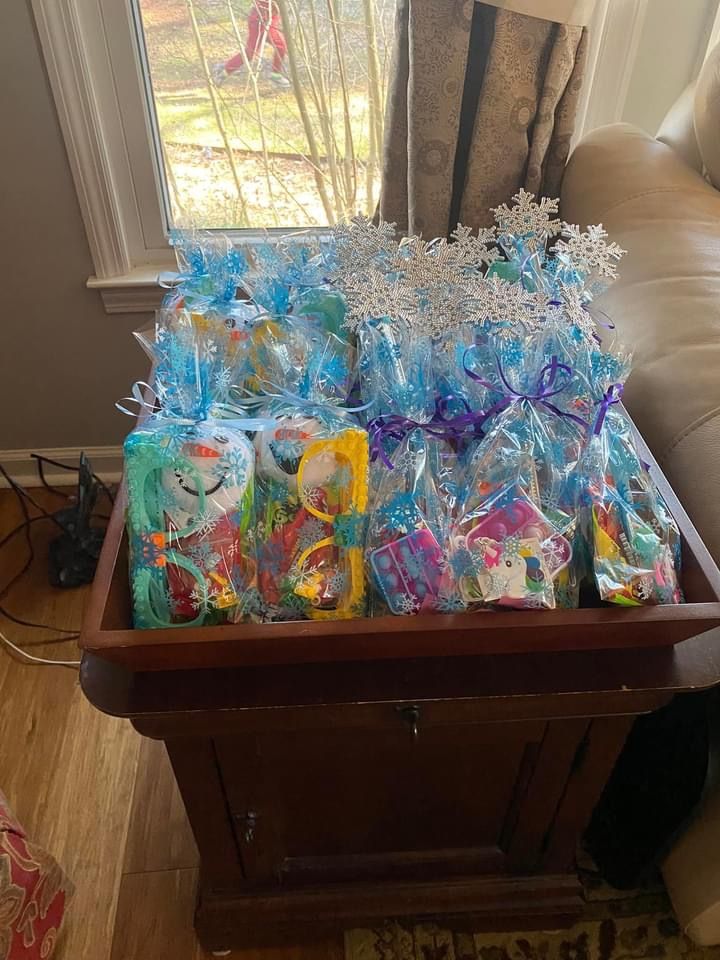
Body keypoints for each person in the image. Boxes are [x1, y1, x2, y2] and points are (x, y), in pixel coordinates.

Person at [211, 0, 290, 88]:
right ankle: (223, 71)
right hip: (260, 19)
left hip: (268, 18)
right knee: (251, 53)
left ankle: (275, 75)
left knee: (280, 46)